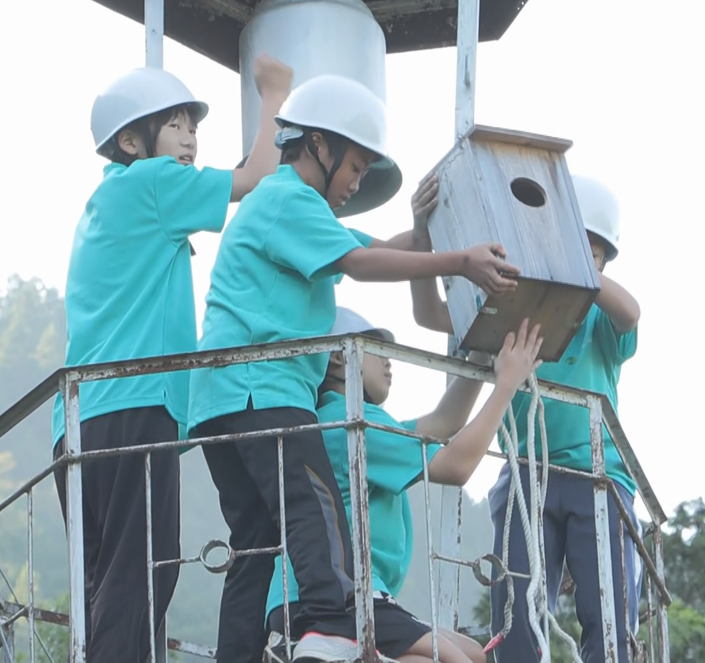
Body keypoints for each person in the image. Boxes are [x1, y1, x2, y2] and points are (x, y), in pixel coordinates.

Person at [186, 73, 522, 663]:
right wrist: (461, 261)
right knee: (317, 520)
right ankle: (331, 630)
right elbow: (361, 262)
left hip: (216, 403)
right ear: (319, 144)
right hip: (262, 392)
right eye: (356, 168)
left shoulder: (287, 209)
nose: (356, 183)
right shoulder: (287, 196)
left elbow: (371, 246)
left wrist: (423, 234)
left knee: (258, 546)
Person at [50, 55, 293, 663]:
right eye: (175, 123)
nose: (189, 136)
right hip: (132, 411)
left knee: (105, 587)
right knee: (142, 577)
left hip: (79, 424)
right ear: (131, 140)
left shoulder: (109, 203)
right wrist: (273, 96)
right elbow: (256, 175)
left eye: (193, 125)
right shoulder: (154, 184)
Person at [409, 174, 644, 663]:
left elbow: (630, 311)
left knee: (608, 614)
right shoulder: (517, 312)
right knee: (516, 610)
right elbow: (432, 314)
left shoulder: (600, 323)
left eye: (592, 254)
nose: (579, 261)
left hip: (597, 477)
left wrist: (569, 259)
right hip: (526, 475)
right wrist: (421, 235)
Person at [262, 308, 544, 663]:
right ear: (338, 357)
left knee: (472, 652)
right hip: (336, 599)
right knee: (455, 660)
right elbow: (456, 466)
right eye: (378, 349)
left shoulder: (343, 419)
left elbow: (443, 422)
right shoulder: (354, 423)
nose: (390, 362)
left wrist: (480, 356)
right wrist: (505, 386)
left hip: (308, 597)